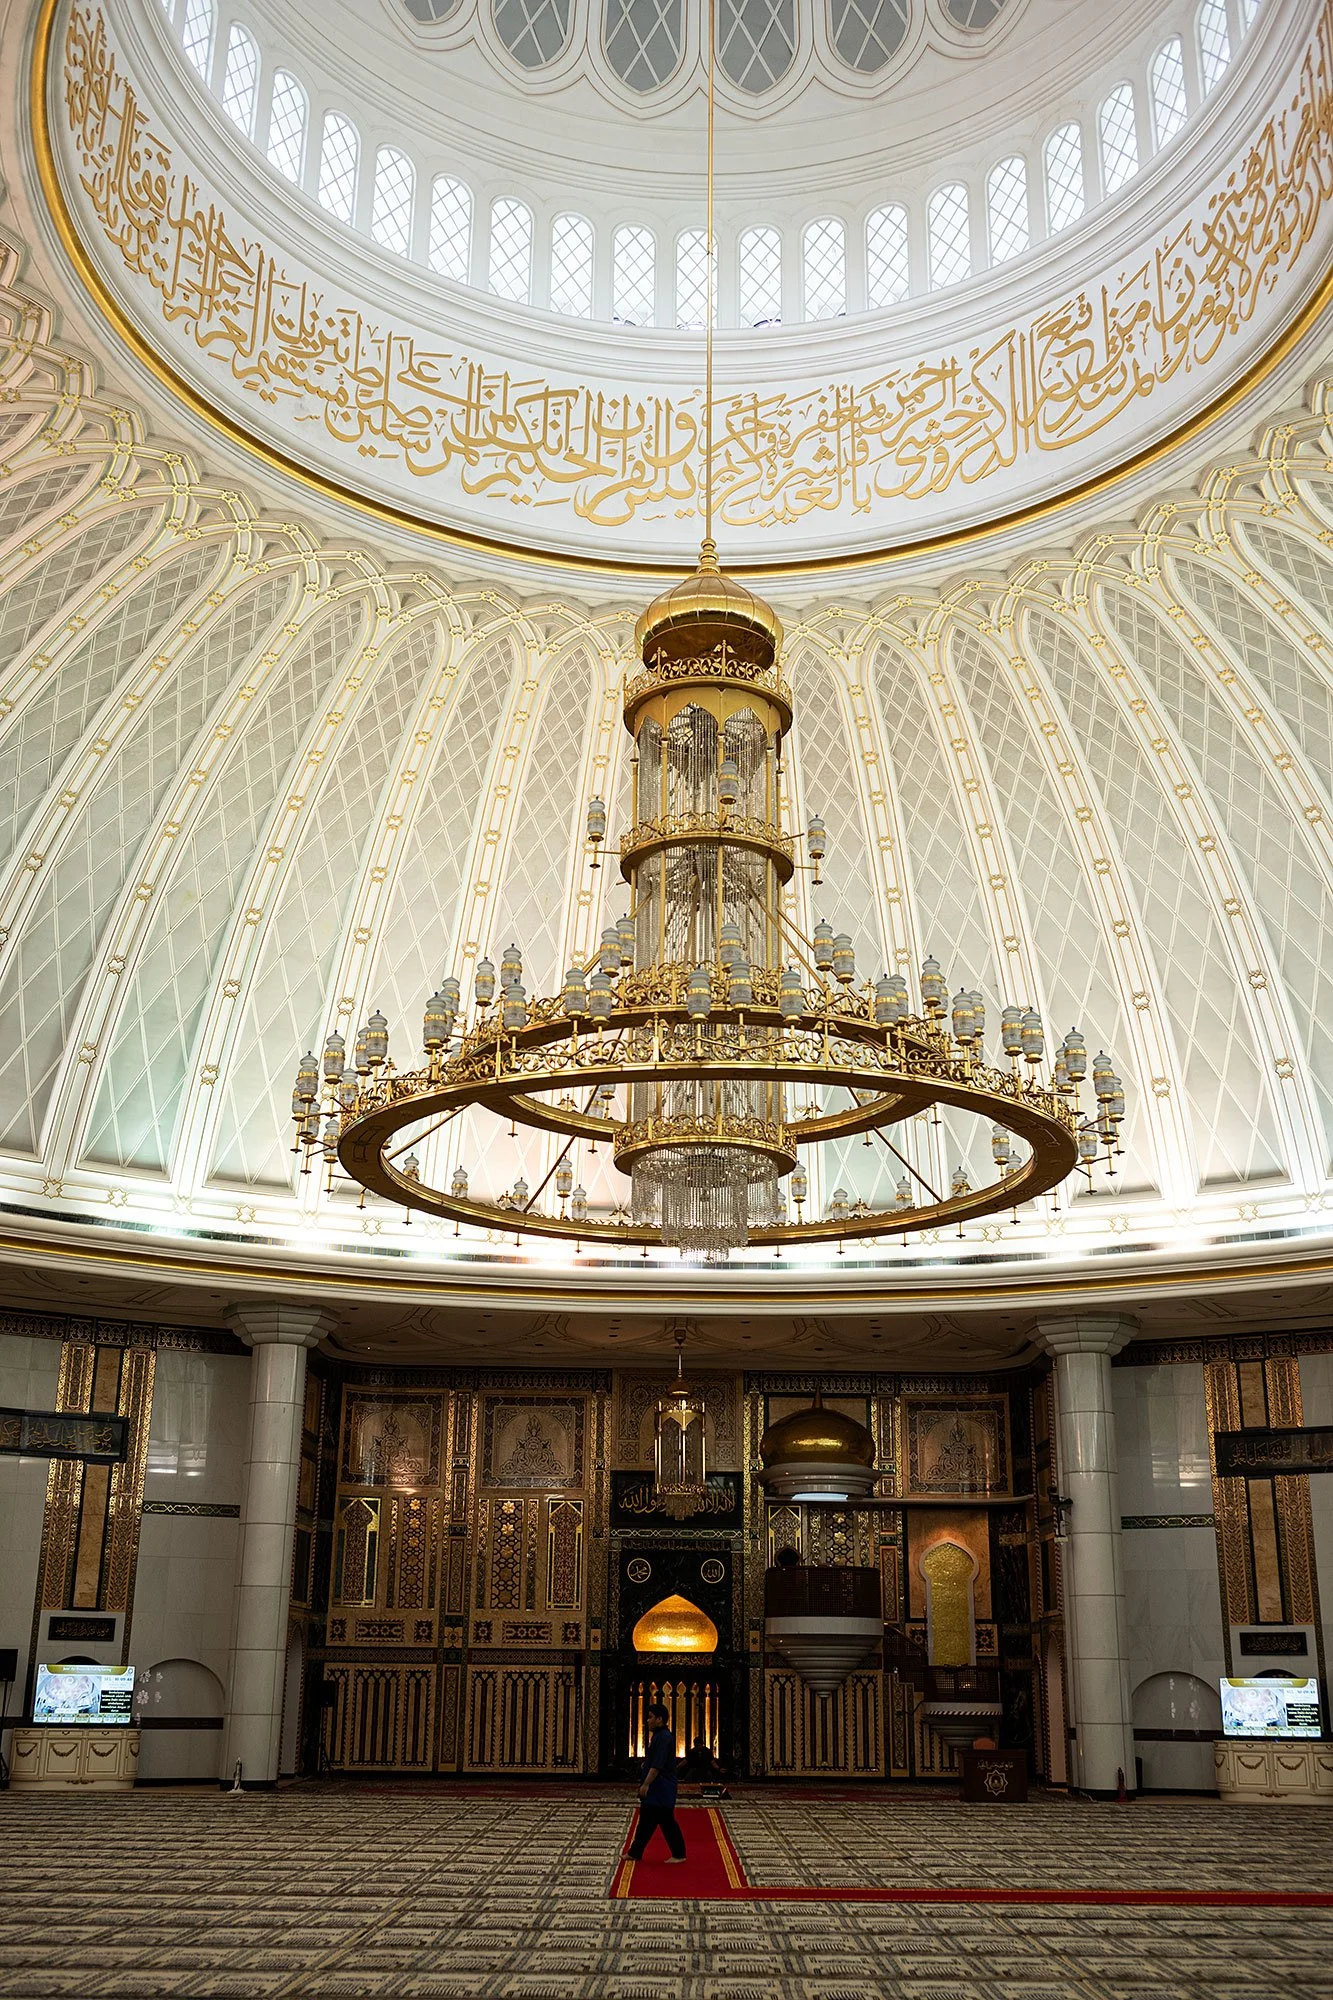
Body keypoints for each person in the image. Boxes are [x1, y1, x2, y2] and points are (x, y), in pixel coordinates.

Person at [625, 1702, 686, 1863]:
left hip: (661, 1787)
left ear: (659, 1719)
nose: (647, 1720)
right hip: (657, 1787)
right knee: (646, 1820)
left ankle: (679, 1854)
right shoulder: (659, 1736)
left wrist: (646, 1784)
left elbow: (657, 1765)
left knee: (665, 1820)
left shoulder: (665, 1738)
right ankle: (635, 1852)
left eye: (650, 1717)